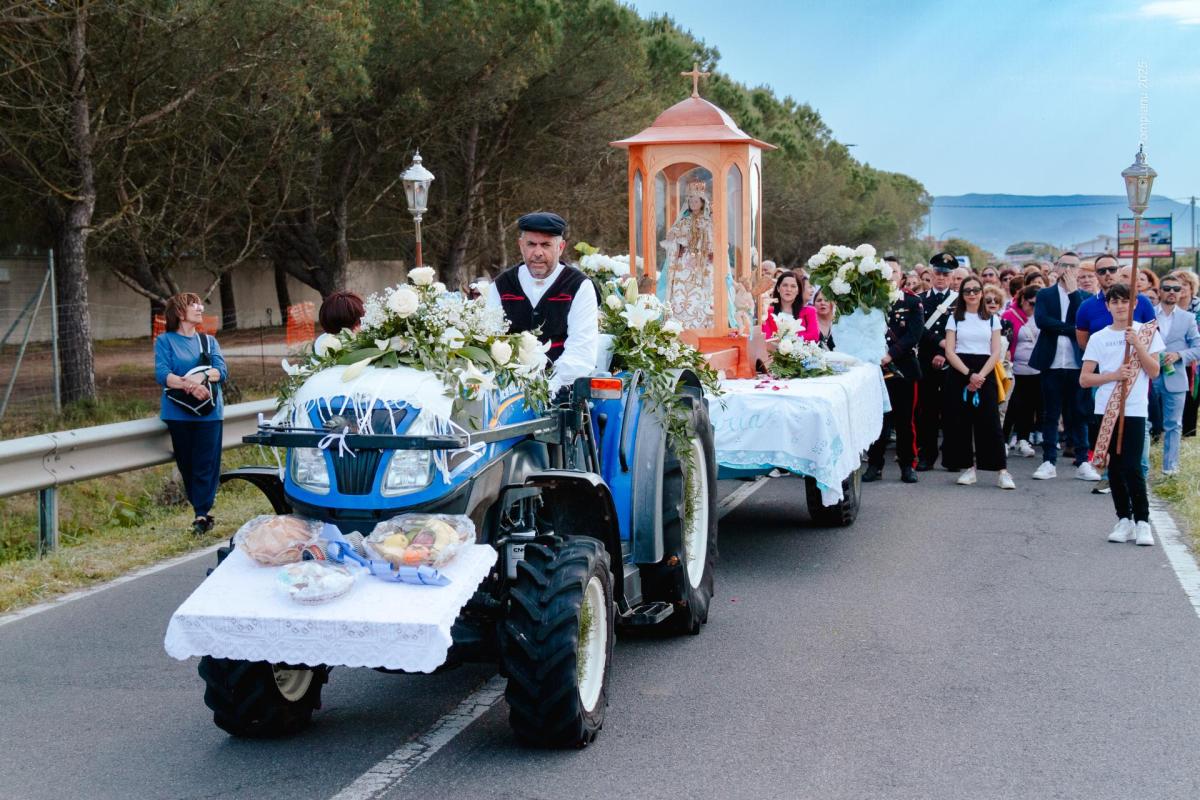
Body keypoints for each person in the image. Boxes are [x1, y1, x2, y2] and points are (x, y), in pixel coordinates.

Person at [1080, 283, 1163, 545]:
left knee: (1132, 465)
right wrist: (1114, 375)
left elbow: (1154, 371)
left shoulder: (1147, 332)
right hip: (1105, 408)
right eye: (1114, 302)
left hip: (1135, 409)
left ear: (1134, 304)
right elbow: (1085, 379)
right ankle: (1123, 519)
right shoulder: (1098, 337)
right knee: (1113, 467)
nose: (1120, 306)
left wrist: (1137, 345)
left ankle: (1142, 522)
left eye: (1125, 301)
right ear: (1107, 306)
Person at [486, 211, 598, 394]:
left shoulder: (579, 286)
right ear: (521, 245)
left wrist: (548, 387)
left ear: (560, 247)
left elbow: (581, 350)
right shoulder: (501, 285)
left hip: (563, 392)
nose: (538, 253)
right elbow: (490, 338)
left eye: (546, 245)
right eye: (531, 244)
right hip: (507, 390)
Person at [155, 292, 229, 535]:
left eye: (200, 304)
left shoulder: (208, 342)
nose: (200, 308)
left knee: (206, 463)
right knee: (187, 463)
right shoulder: (164, 341)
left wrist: (203, 376)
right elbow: (163, 374)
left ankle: (202, 514)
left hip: (209, 412)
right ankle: (199, 507)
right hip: (178, 413)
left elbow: (221, 371)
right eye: (193, 304)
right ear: (179, 312)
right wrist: (190, 386)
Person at [1029, 252, 1098, 481]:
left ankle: (1083, 460)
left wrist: (1073, 293)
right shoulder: (1045, 294)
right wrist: (1071, 329)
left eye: (1073, 266)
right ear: (1056, 268)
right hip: (1052, 362)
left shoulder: (1085, 296)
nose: (1068, 270)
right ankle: (1049, 460)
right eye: (1064, 265)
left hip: (1077, 364)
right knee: (1051, 413)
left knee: (1079, 412)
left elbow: (1084, 322)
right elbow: (1042, 321)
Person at [944, 275, 1015, 489]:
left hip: (986, 370)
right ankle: (968, 468)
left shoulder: (992, 319)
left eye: (976, 290)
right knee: (961, 422)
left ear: (982, 293)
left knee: (991, 422)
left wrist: (980, 376)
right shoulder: (954, 318)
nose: (972, 294)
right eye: (967, 291)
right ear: (962, 294)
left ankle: (1002, 471)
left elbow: (995, 352)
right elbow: (950, 351)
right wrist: (969, 375)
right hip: (960, 370)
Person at [863, 264, 924, 484]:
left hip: (903, 369)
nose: (889, 275)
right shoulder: (868, 301)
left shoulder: (912, 301)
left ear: (901, 277)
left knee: (905, 421)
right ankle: (874, 464)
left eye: (894, 272)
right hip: (876, 369)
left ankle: (907, 465)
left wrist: (891, 354)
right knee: (878, 420)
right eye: (884, 271)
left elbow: (914, 333)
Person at [1150, 275, 1200, 475]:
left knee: (1173, 424)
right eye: (1167, 288)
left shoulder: (1188, 318)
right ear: (1159, 291)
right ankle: (1141, 467)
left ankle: (1170, 468)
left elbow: (1198, 347)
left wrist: (1179, 355)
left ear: (1181, 293)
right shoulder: (1148, 314)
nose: (1172, 292)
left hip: (1176, 376)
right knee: (1145, 423)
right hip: (1149, 376)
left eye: (1176, 289)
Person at [915, 253, 958, 470]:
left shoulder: (959, 301)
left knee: (952, 411)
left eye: (946, 274)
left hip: (952, 361)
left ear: (952, 277)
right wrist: (939, 344)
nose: (941, 277)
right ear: (931, 274)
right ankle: (927, 455)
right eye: (938, 273)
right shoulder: (920, 300)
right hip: (926, 360)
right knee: (927, 411)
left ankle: (952, 457)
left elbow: (962, 329)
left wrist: (945, 351)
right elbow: (917, 329)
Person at [658, 181, 718, 329]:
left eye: (696, 201)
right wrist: (674, 236)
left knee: (702, 293)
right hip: (684, 264)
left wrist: (702, 252)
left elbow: (713, 242)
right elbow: (673, 236)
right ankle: (678, 324)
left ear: (702, 202)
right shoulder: (684, 221)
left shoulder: (708, 222)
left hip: (702, 263)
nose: (693, 204)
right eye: (690, 201)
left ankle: (702, 325)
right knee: (679, 293)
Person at [1001, 285, 1041, 457]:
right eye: (1032, 304)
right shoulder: (1009, 315)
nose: (1034, 308)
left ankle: (1023, 439)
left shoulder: (1041, 316)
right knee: (1011, 405)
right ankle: (1003, 440)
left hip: (1035, 368)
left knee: (1029, 406)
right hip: (1014, 367)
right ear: (1023, 300)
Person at [762, 270, 819, 341]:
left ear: (798, 291)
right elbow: (766, 338)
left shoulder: (810, 311)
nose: (788, 289)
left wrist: (787, 339)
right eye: (785, 285)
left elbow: (814, 336)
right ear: (778, 288)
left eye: (793, 286)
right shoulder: (767, 312)